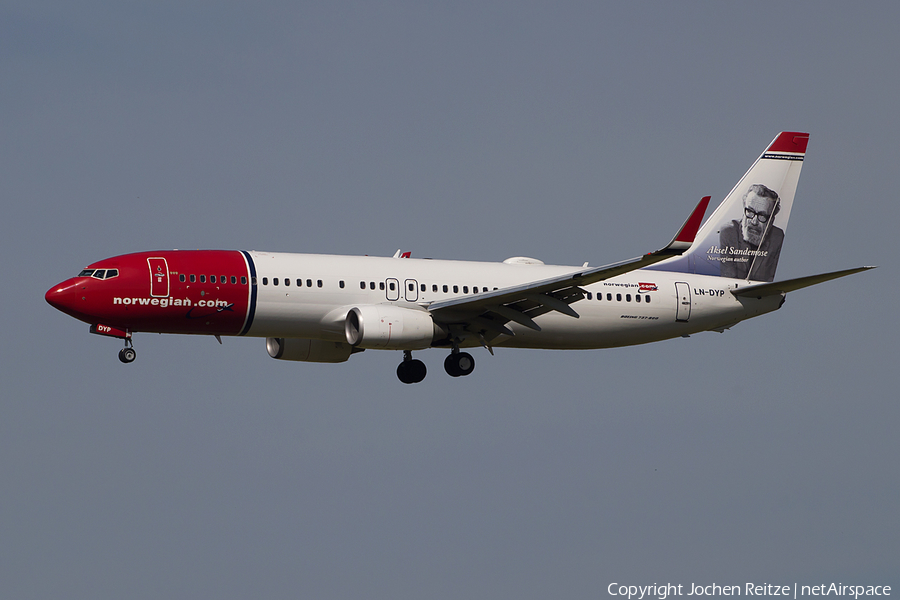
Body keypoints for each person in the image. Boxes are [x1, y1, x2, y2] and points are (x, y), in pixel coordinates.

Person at [718, 184, 784, 281]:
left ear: (771, 220)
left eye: (762, 216)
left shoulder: (776, 237)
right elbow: (728, 278)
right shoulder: (729, 232)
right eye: (750, 212)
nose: (754, 221)